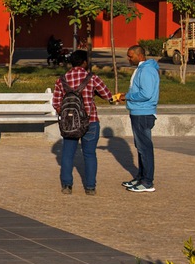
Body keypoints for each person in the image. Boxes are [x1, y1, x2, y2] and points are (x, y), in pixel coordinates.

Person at [51, 49, 115, 194]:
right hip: (90, 121)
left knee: (67, 154)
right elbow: (107, 95)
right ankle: (90, 187)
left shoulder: (62, 80)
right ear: (85, 62)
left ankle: (67, 185)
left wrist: (68, 116)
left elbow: (56, 102)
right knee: (90, 154)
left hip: (69, 123)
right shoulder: (92, 78)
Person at [123, 43, 160, 193]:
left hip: (143, 113)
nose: (128, 59)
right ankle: (141, 176)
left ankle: (147, 181)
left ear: (139, 55)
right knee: (140, 147)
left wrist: (127, 96)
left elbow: (146, 94)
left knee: (145, 148)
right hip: (137, 112)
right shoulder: (141, 69)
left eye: (130, 56)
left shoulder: (147, 70)